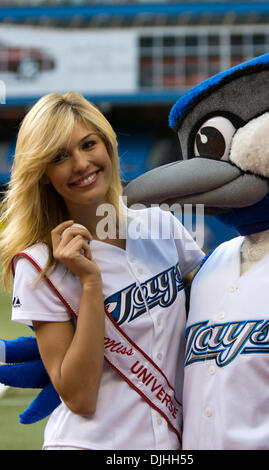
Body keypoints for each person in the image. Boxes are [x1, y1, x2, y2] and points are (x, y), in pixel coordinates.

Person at [0, 91, 204, 450]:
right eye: (60, 156)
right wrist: (91, 283)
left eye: (88, 144)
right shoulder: (38, 265)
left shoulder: (161, 226)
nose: (80, 164)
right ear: (44, 174)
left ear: (107, 145)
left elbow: (211, 307)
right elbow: (79, 397)